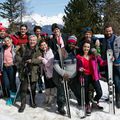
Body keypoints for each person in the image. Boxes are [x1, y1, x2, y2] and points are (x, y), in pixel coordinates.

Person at [76, 40, 106, 115]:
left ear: (90, 47)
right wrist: (80, 69)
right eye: (85, 46)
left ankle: (94, 101)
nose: (86, 48)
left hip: (94, 75)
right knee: (86, 92)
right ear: (82, 47)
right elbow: (78, 67)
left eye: (88, 47)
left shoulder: (94, 56)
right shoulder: (79, 57)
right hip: (84, 76)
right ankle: (87, 105)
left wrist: (109, 60)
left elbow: (102, 63)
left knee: (99, 92)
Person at [15, 35, 42, 112]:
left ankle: (32, 101)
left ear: (36, 41)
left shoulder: (38, 49)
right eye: (31, 40)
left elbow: (40, 60)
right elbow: (17, 57)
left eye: (34, 40)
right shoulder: (23, 47)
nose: (32, 41)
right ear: (28, 40)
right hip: (24, 71)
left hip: (34, 72)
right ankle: (22, 105)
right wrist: (24, 61)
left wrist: (31, 60)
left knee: (33, 89)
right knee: (23, 89)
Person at [101, 24, 120, 108]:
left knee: (117, 82)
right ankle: (111, 96)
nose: (108, 32)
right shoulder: (104, 40)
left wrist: (115, 57)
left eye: (110, 31)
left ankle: (118, 99)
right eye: (107, 31)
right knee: (110, 81)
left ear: (112, 31)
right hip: (107, 64)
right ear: (105, 31)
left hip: (117, 64)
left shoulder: (117, 39)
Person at [38, 40, 56, 105]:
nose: (43, 46)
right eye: (42, 45)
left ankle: (51, 99)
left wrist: (42, 59)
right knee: (47, 86)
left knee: (51, 86)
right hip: (46, 73)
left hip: (51, 73)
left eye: (44, 45)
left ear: (47, 45)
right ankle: (47, 98)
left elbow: (48, 64)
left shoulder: (50, 52)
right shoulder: (43, 52)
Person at [2, 36, 16, 105]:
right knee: (6, 83)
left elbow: (17, 58)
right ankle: (13, 93)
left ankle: (12, 98)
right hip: (4, 67)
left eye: (8, 40)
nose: (7, 42)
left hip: (11, 67)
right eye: (5, 41)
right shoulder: (3, 48)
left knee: (12, 83)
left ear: (11, 40)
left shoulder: (14, 48)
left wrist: (13, 63)